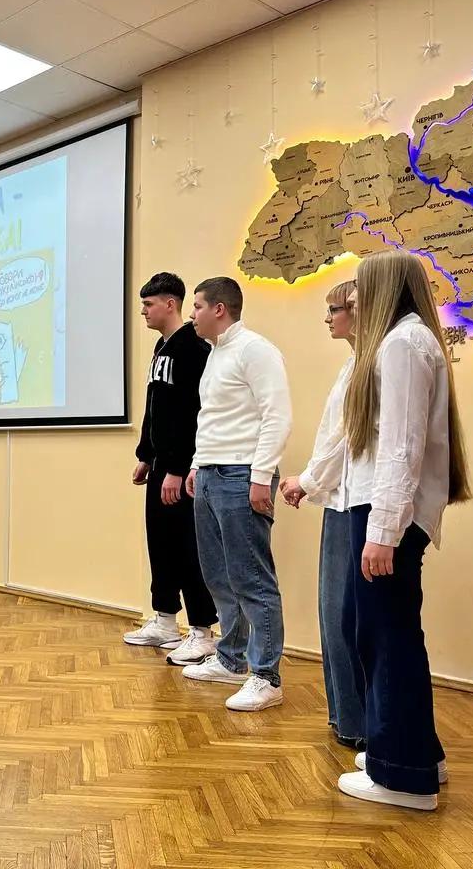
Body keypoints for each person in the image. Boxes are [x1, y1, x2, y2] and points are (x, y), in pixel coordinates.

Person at [335, 250, 470, 811]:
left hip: (388, 513)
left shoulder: (401, 345)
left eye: (358, 292)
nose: (352, 302)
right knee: (391, 634)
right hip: (387, 512)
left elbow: (401, 446)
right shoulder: (410, 340)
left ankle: (400, 778)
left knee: (385, 639)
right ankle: (416, 755)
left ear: (384, 289)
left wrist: (383, 531)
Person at [184, 276, 292, 711]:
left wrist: (261, 476)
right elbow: (212, 417)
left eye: (197, 306)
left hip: (243, 474)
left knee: (252, 578)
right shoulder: (216, 353)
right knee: (217, 574)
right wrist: (197, 465)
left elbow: (277, 415)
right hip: (211, 474)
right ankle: (230, 659)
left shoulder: (255, 350)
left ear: (219, 309)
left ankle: (266, 676)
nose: (192, 315)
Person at [279, 281, 366, 749]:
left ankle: (359, 724)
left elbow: (346, 440)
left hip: (353, 502)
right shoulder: (353, 365)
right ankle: (347, 718)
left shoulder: (368, 365)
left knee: (343, 615)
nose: (328, 318)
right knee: (334, 614)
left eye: (335, 309)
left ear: (358, 309)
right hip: (340, 500)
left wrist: (308, 480)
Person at [123, 272, 219, 665]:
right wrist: (146, 455)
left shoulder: (193, 348)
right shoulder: (161, 347)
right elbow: (156, 408)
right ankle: (164, 620)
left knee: (187, 547)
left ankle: (202, 631)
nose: (143, 311)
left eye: (148, 305)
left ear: (169, 304)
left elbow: (193, 414)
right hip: (161, 464)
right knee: (160, 544)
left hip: (182, 469)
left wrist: (178, 469)